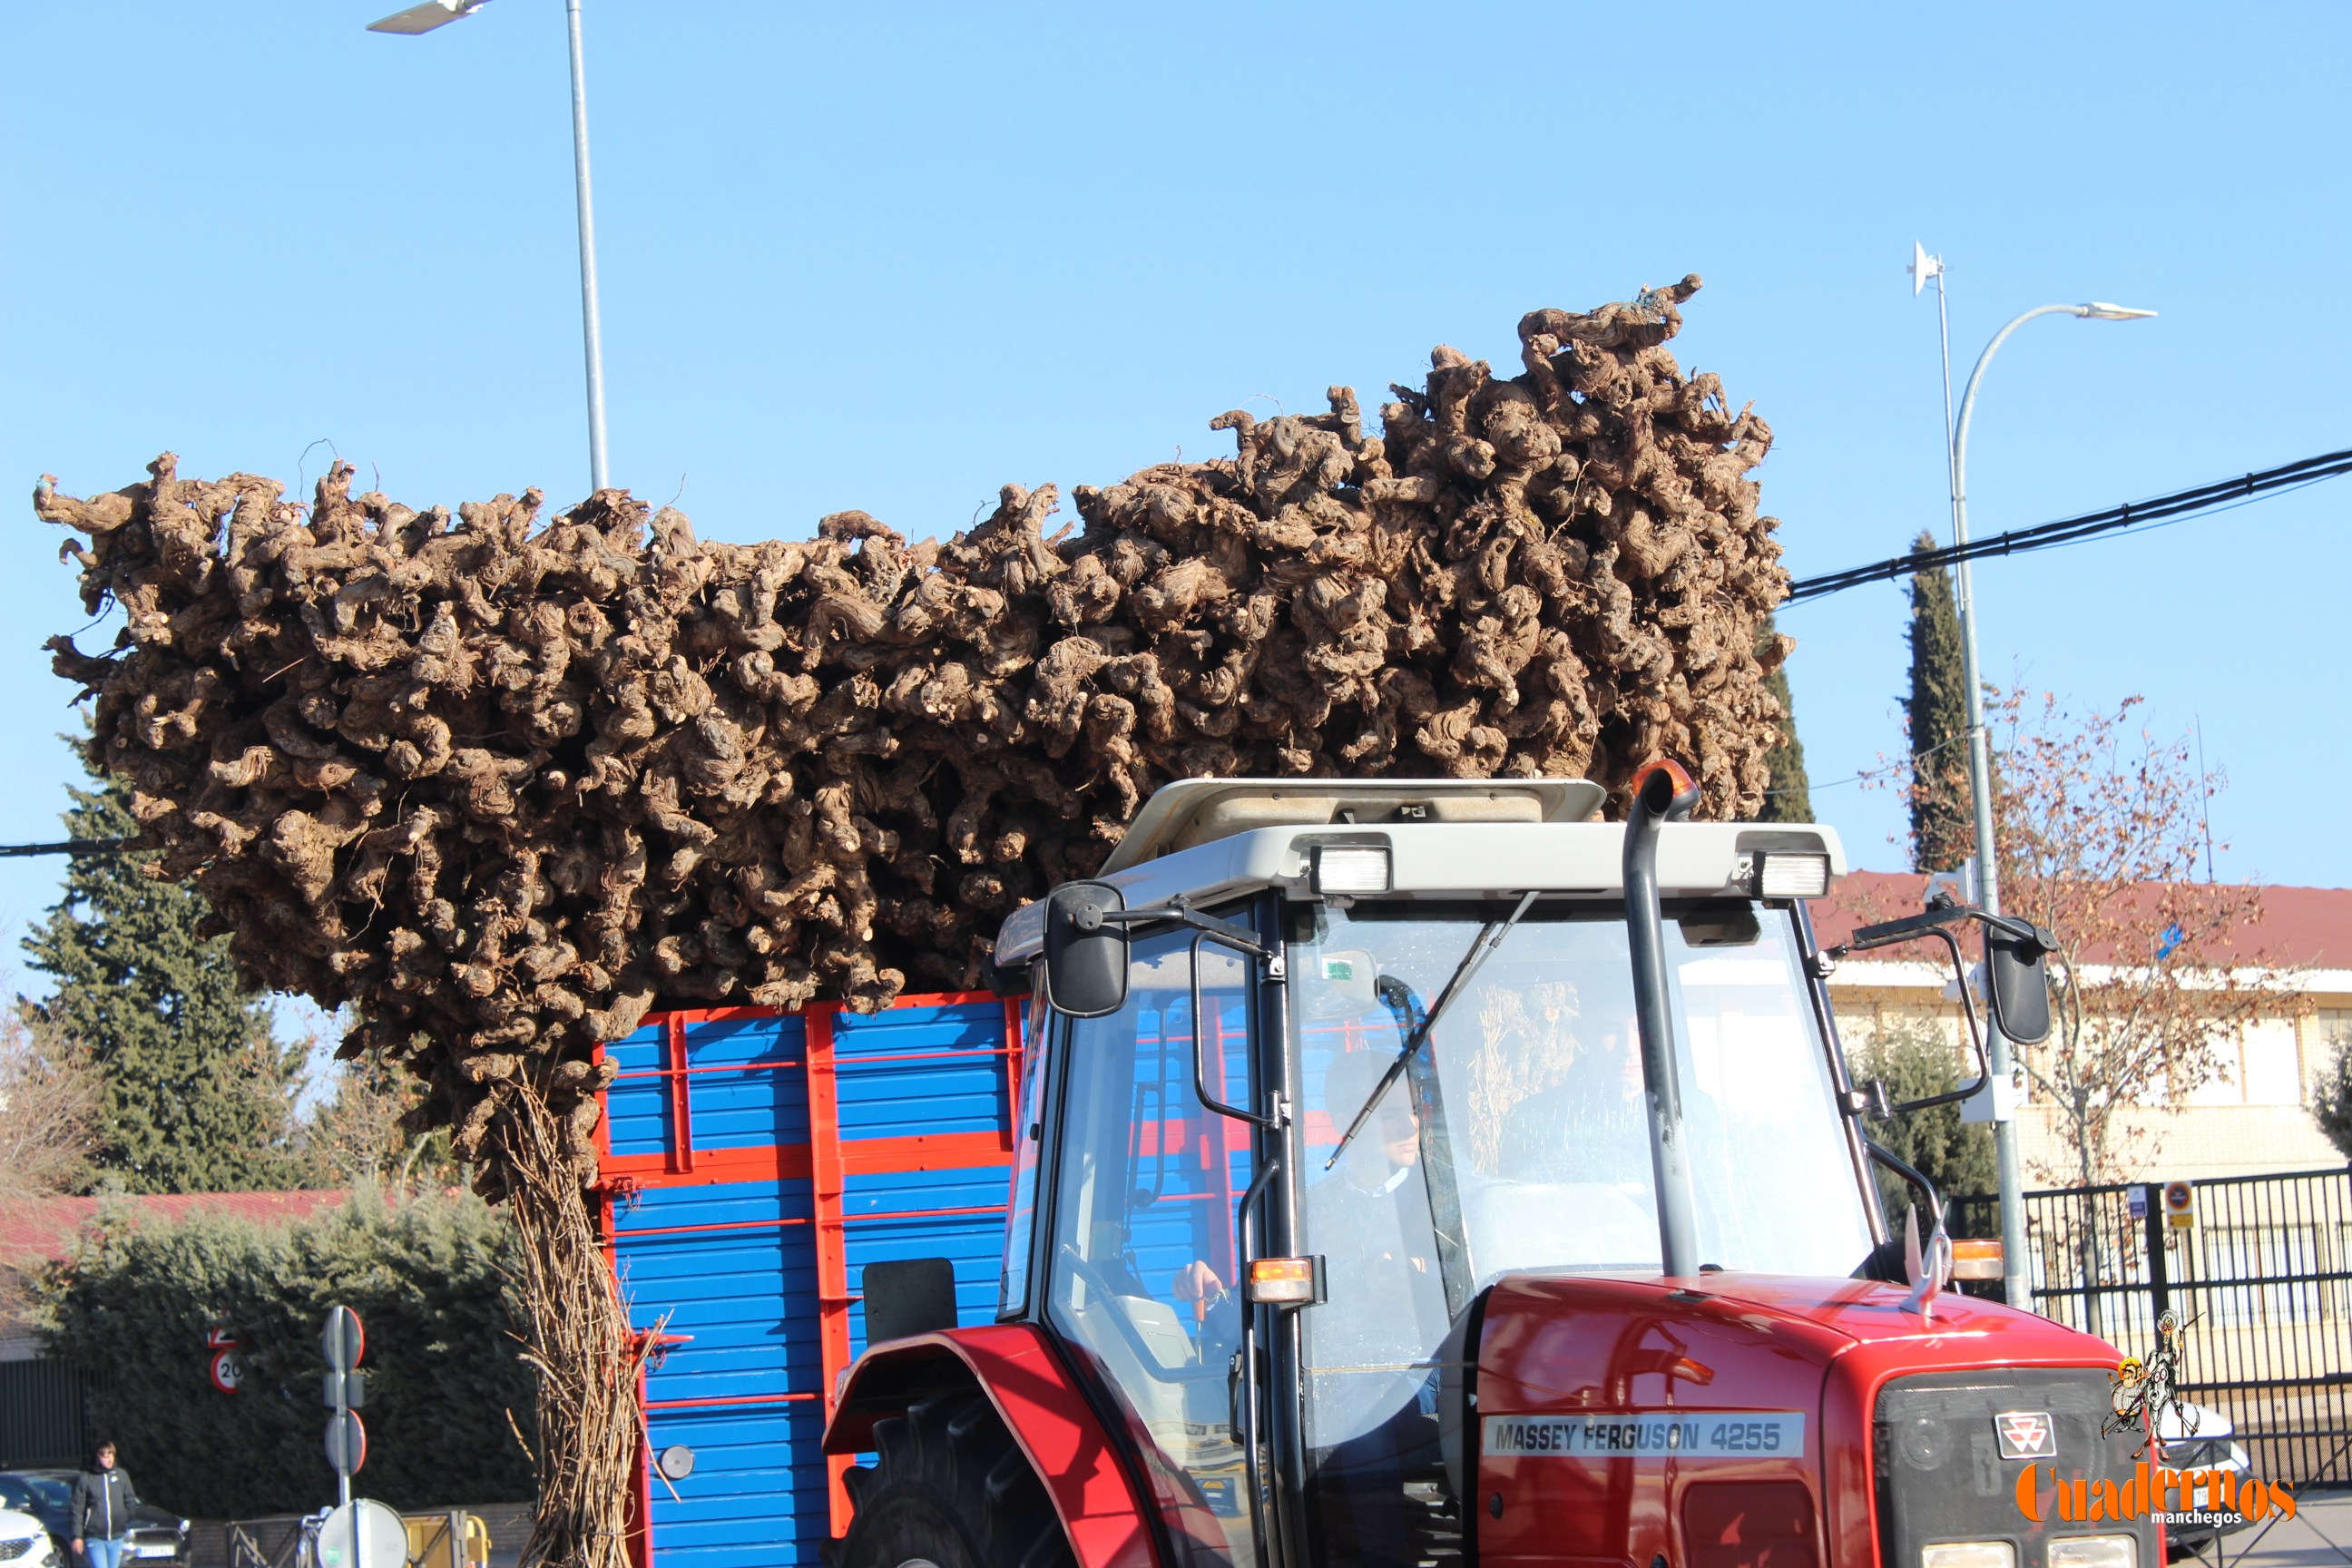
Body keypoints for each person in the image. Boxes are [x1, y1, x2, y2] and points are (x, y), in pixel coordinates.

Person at [69, 1442, 141, 1568]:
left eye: (112, 1455)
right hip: (95, 1536)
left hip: (117, 1536)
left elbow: (130, 1499)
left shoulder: (121, 1475)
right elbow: (77, 1508)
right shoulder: (86, 1478)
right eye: (105, 1456)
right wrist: (77, 1536)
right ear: (97, 1457)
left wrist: (124, 1519)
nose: (110, 1459)